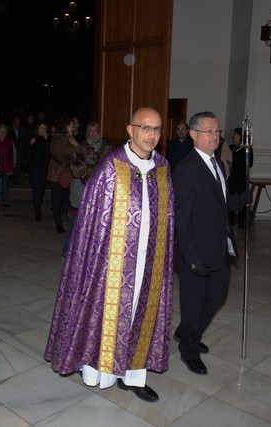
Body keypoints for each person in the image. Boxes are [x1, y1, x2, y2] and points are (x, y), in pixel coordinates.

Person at [45, 107, 175, 403]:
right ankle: (96, 371)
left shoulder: (164, 168)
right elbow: (91, 222)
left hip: (148, 260)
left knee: (140, 314)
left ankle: (133, 377)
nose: (151, 135)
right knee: (103, 313)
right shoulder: (111, 166)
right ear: (131, 130)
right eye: (145, 128)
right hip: (110, 262)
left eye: (156, 129)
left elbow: (167, 219)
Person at [173, 111, 250, 376]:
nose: (215, 136)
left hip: (219, 246)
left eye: (217, 131)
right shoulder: (186, 169)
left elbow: (220, 202)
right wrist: (190, 256)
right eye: (209, 131)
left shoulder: (217, 163)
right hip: (195, 251)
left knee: (217, 296)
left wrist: (240, 201)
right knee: (194, 304)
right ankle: (188, 349)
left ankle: (187, 331)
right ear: (194, 134)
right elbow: (180, 220)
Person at [47, 117, 78, 233]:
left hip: (68, 174)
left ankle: (68, 219)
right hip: (56, 173)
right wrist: (73, 146)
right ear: (65, 127)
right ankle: (58, 223)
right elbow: (58, 153)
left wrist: (75, 144)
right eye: (71, 125)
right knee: (57, 199)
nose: (73, 127)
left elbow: (79, 153)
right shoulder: (57, 138)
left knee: (68, 199)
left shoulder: (71, 138)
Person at [61, 159, 89, 258]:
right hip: (77, 212)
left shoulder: (74, 181)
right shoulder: (81, 186)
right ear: (85, 172)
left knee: (73, 232)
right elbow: (83, 200)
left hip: (72, 210)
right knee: (73, 234)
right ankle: (66, 253)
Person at [229, 127, 253, 228]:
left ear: (239, 135)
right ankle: (230, 221)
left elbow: (250, 163)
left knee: (242, 198)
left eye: (234, 134)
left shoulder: (247, 149)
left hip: (241, 178)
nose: (233, 136)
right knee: (230, 198)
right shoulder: (230, 148)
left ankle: (241, 222)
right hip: (231, 178)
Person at [27, 121, 51, 221]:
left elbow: (48, 154)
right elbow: (28, 152)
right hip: (33, 168)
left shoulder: (49, 139)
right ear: (37, 129)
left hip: (44, 168)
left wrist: (46, 141)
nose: (42, 130)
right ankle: (37, 211)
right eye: (41, 128)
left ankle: (38, 207)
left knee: (41, 189)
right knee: (36, 188)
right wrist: (31, 145)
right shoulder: (32, 138)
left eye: (44, 128)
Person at [0, 123, 15, 207]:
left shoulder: (10, 142)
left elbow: (14, 154)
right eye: (1, 131)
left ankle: (5, 200)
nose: (2, 133)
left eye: (4, 132)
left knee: (5, 185)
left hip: (7, 166)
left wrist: (14, 164)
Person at [8, 116, 28, 185]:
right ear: (13, 122)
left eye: (19, 122)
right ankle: (9, 177)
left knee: (18, 164)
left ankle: (15, 180)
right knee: (11, 164)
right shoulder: (9, 129)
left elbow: (25, 139)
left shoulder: (22, 129)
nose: (18, 123)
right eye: (16, 122)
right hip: (11, 150)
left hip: (20, 150)